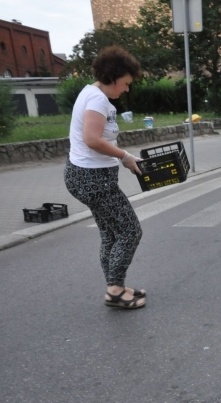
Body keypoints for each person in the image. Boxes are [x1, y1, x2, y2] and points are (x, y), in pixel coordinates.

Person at [63, 46, 147, 309]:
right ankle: (115, 291)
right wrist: (124, 156)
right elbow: (91, 139)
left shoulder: (92, 94)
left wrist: (123, 158)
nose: (127, 89)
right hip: (93, 180)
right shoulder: (97, 99)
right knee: (130, 231)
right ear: (113, 77)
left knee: (111, 234)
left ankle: (115, 285)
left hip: (86, 176)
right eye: (126, 83)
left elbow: (97, 140)